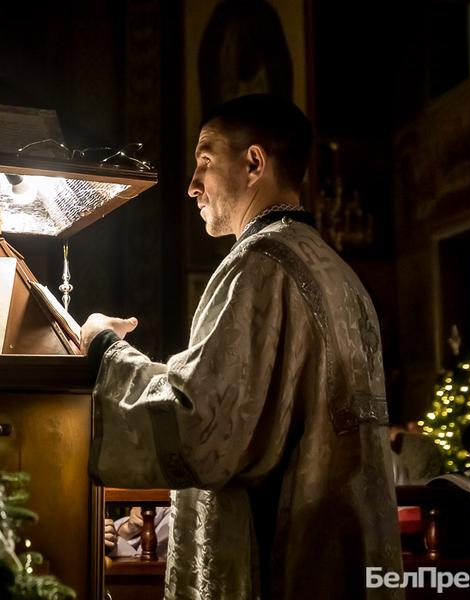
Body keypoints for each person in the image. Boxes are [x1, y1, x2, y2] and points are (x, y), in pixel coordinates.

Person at [81, 94, 402, 599]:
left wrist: (104, 351)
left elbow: (199, 427)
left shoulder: (258, 264)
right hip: (338, 557)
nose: (191, 186)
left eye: (204, 162)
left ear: (253, 163)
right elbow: (249, 402)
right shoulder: (337, 271)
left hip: (275, 558)